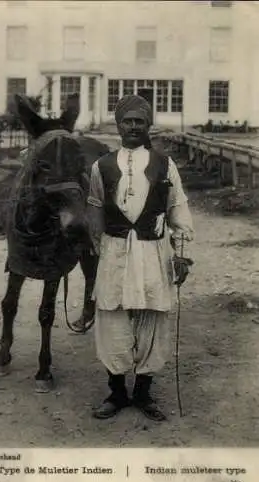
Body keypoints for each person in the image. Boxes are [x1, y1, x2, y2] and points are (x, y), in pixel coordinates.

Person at [86, 94, 194, 421]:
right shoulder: (101, 166)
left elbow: (177, 207)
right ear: (118, 125)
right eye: (127, 121)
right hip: (116, 251)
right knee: (112, 317)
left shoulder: (164, 164)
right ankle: (117, 392)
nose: (133, 126)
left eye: (139, 121)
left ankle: (144, 393)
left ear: (149, 125)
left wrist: (181, 253)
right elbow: (94, 209)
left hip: (153, 251)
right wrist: (98, 249)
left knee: (153, 316)